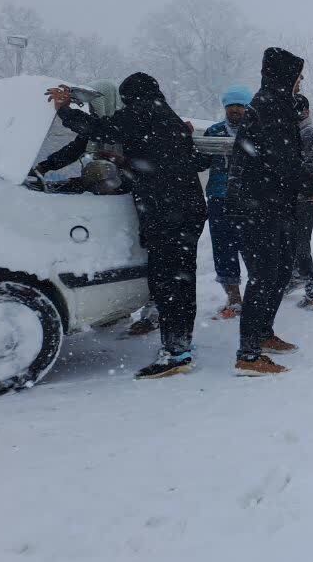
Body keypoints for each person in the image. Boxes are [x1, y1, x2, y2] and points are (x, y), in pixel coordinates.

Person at [52, 74, 209, 378]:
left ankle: (175, 355)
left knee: (167, 283)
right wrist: (126, 160)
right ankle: (182, 345)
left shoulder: (141, 111)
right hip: (188, 210)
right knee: (182, 279)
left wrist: (64, 110)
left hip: (168, 214)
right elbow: (182, 160)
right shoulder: (167, 116)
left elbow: (99, 129)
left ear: (130, 97)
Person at [227, 47, 313, 376]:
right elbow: (281, 160)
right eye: (298, 76)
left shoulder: (276, 103)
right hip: (257, 205)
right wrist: (312, 184)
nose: (301, 82)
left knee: (281, 270)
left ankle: (263, 333)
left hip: (275, 203)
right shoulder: (270, 106)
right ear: (287, 76)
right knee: (264, 275)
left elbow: (282, 160)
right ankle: (249, 355)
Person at [204, 86, 253, 320]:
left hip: (247, 199)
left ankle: (257, 296)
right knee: (223, 249)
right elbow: (201, 161)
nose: (235, 110)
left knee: (251, 247)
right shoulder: (214, 131)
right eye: (231, 105)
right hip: (218, 198)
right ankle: (234, 298)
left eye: (240, 105)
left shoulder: (256, 131)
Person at [291, 93, 313, 310]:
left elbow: (310, 171)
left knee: (300, 242)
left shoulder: (311, 135)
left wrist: (308, 189)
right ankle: (295, 278)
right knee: (295, 242)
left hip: (306, 199)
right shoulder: (301, 133)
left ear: (305, 112)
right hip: (301, 196)